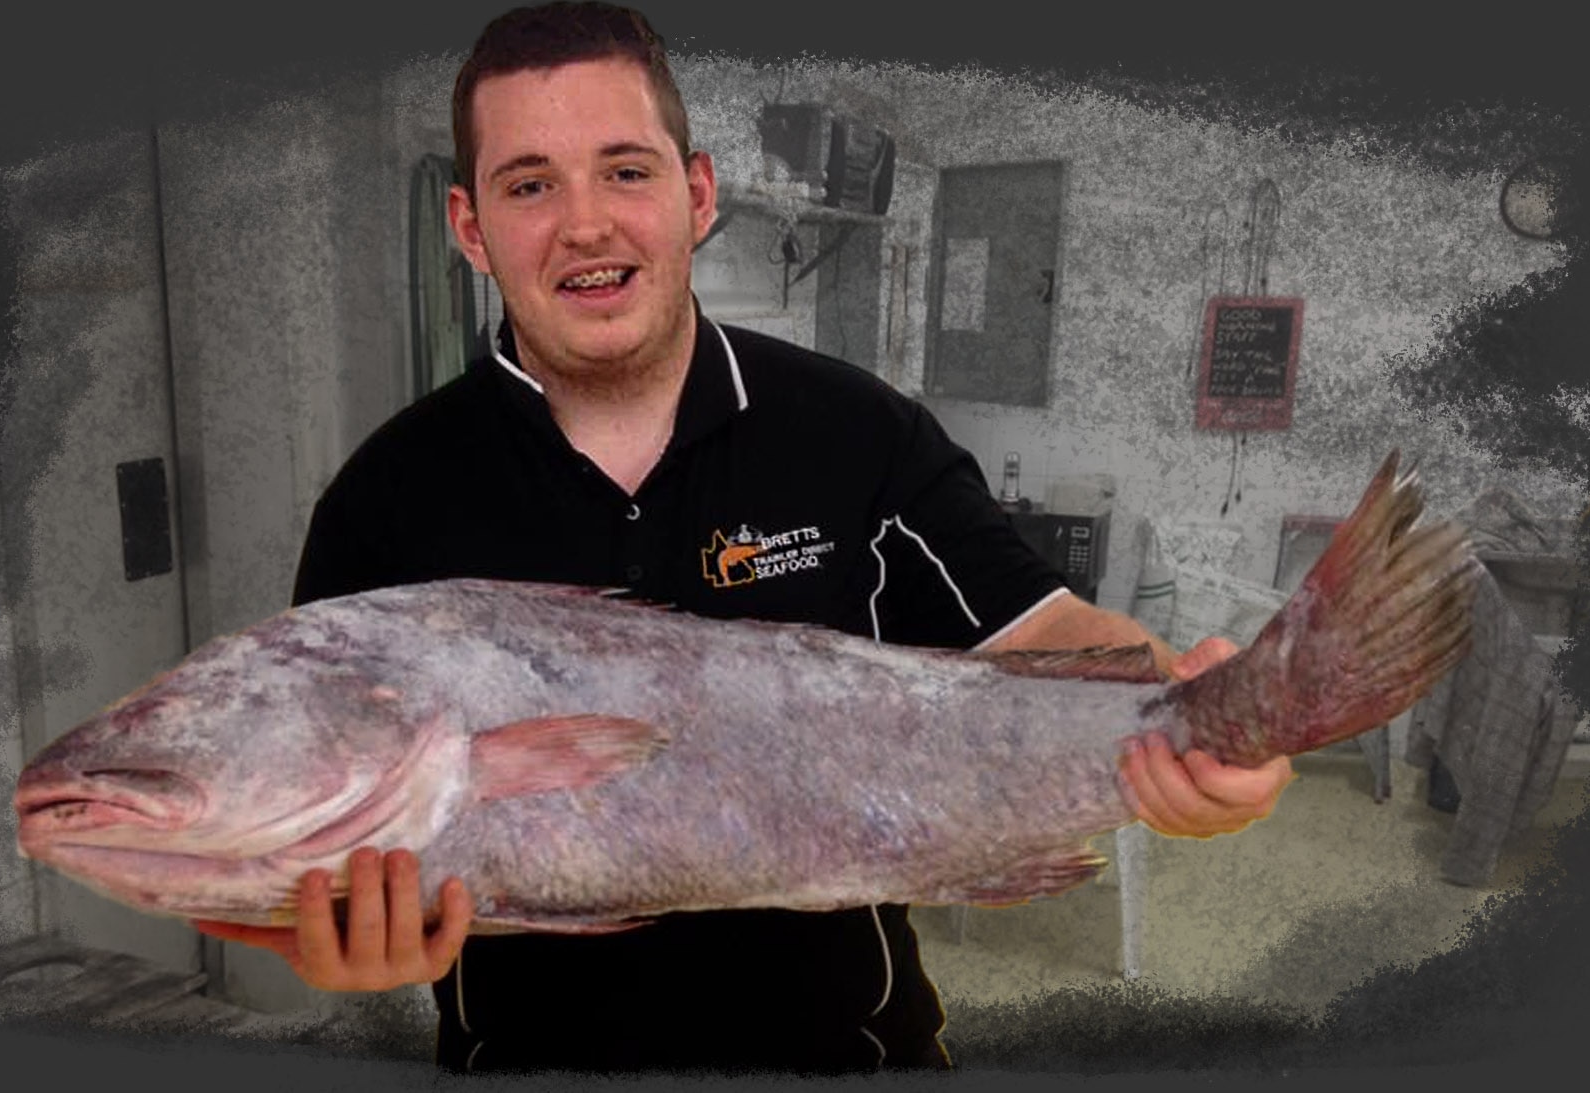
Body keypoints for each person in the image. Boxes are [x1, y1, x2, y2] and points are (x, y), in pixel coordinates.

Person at [194, 2, 1293, 1075]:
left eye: (626, 169)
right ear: (470, 227)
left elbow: (1038, 628)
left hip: (853, 1060)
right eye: (530, 183)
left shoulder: (857, 431)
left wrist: (1192, 707)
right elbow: (328, 830)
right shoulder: (383, 502)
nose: (585, 222)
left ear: (696, 194)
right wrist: (324, 939)